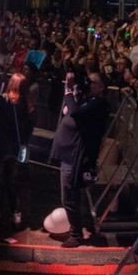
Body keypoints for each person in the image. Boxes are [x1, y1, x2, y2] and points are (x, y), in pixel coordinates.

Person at [48, 70, 111, 248]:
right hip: (68, 154)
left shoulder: (99, 104)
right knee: (70, 195)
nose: (88, 85)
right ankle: (78, 228)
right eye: (88, 82)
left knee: (69, 196)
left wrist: (68, 91)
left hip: (75, 157)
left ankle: (76, 234)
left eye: (93, 82)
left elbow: (75, 113)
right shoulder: (87, 99)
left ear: (102, 87)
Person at [0, 71, 35, 230]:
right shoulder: (28, 106)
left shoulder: (4, 100)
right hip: (14, 147)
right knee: (11, 182)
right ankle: (16, 214)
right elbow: (28, 130)